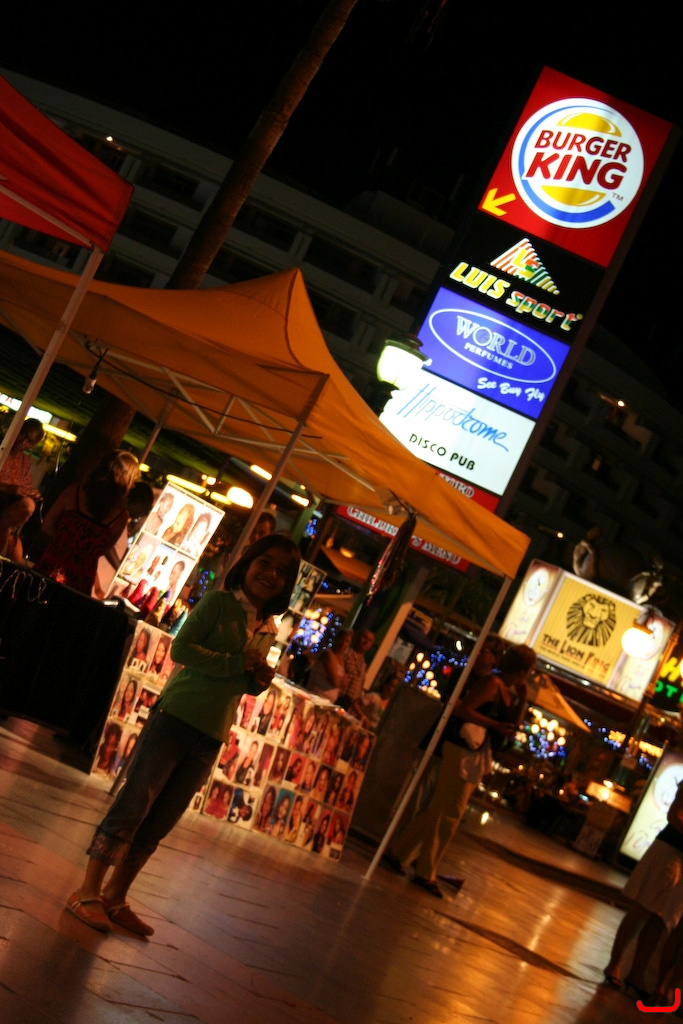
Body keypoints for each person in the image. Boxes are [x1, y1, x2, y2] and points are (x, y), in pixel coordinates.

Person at [65, 532, 300, 935]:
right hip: (175, 718)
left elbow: (240, 681)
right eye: (266, 563)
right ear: (248, 561)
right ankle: (86, 890)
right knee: (133, 806)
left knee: (161, 820)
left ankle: (115, 895)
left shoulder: (268, 626)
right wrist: (236, 663)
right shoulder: (218, 603)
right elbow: (182, 651)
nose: (271, 574)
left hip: (212, 734)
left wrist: (258, 680)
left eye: (282, 571)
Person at [385, 642, 535, 898]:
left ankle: (401, 851)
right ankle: (426, 870)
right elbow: (462, 709)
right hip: (462, 748)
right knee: (450, 811)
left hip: (475, 752)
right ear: (522, 670)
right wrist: (494, 725)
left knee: (443, 808)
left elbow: (513, 726)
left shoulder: (505, 689)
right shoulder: (492, 683)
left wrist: (522, 700)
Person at [603, 778, 683, 991]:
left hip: (678, 856)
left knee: (658, 918)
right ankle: (615, 964)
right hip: (669, 851)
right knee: (643, 908)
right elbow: (674, 814)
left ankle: (637, 972)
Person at [33, 450, 139, 596]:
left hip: (51, 567)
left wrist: (64, 543)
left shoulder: (73, 492)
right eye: (132, 480)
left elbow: (47, 526)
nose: (133, 486)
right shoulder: (121, 517)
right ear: (123, 479)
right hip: (80, 583)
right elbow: (102, 550)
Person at [0, 418, 44, 554]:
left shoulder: (24, 462)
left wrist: (31, 494)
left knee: (29, 504)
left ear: (33, 445)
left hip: (6, 517)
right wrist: (10, 489)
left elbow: (24, 489)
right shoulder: (2, 447)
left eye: (29, 441)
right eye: (23, 434)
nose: (23, 442)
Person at [307, 629, 353, 703]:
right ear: (336, 639)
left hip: (328, 701)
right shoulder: (328, 654)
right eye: (341, 639)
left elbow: (346, 682)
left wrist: (339, 680)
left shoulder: (340, 660)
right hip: (317, 696)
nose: (343, 643)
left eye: (347, 641)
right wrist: (340, 680)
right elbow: (335, 682)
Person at [337, 629, 374, 711]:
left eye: (370, 640)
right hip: (338, 699)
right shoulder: (346, 653)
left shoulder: (363, 664)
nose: (366, 642)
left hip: (347, 705)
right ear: (357, 637)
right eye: (364, 637)